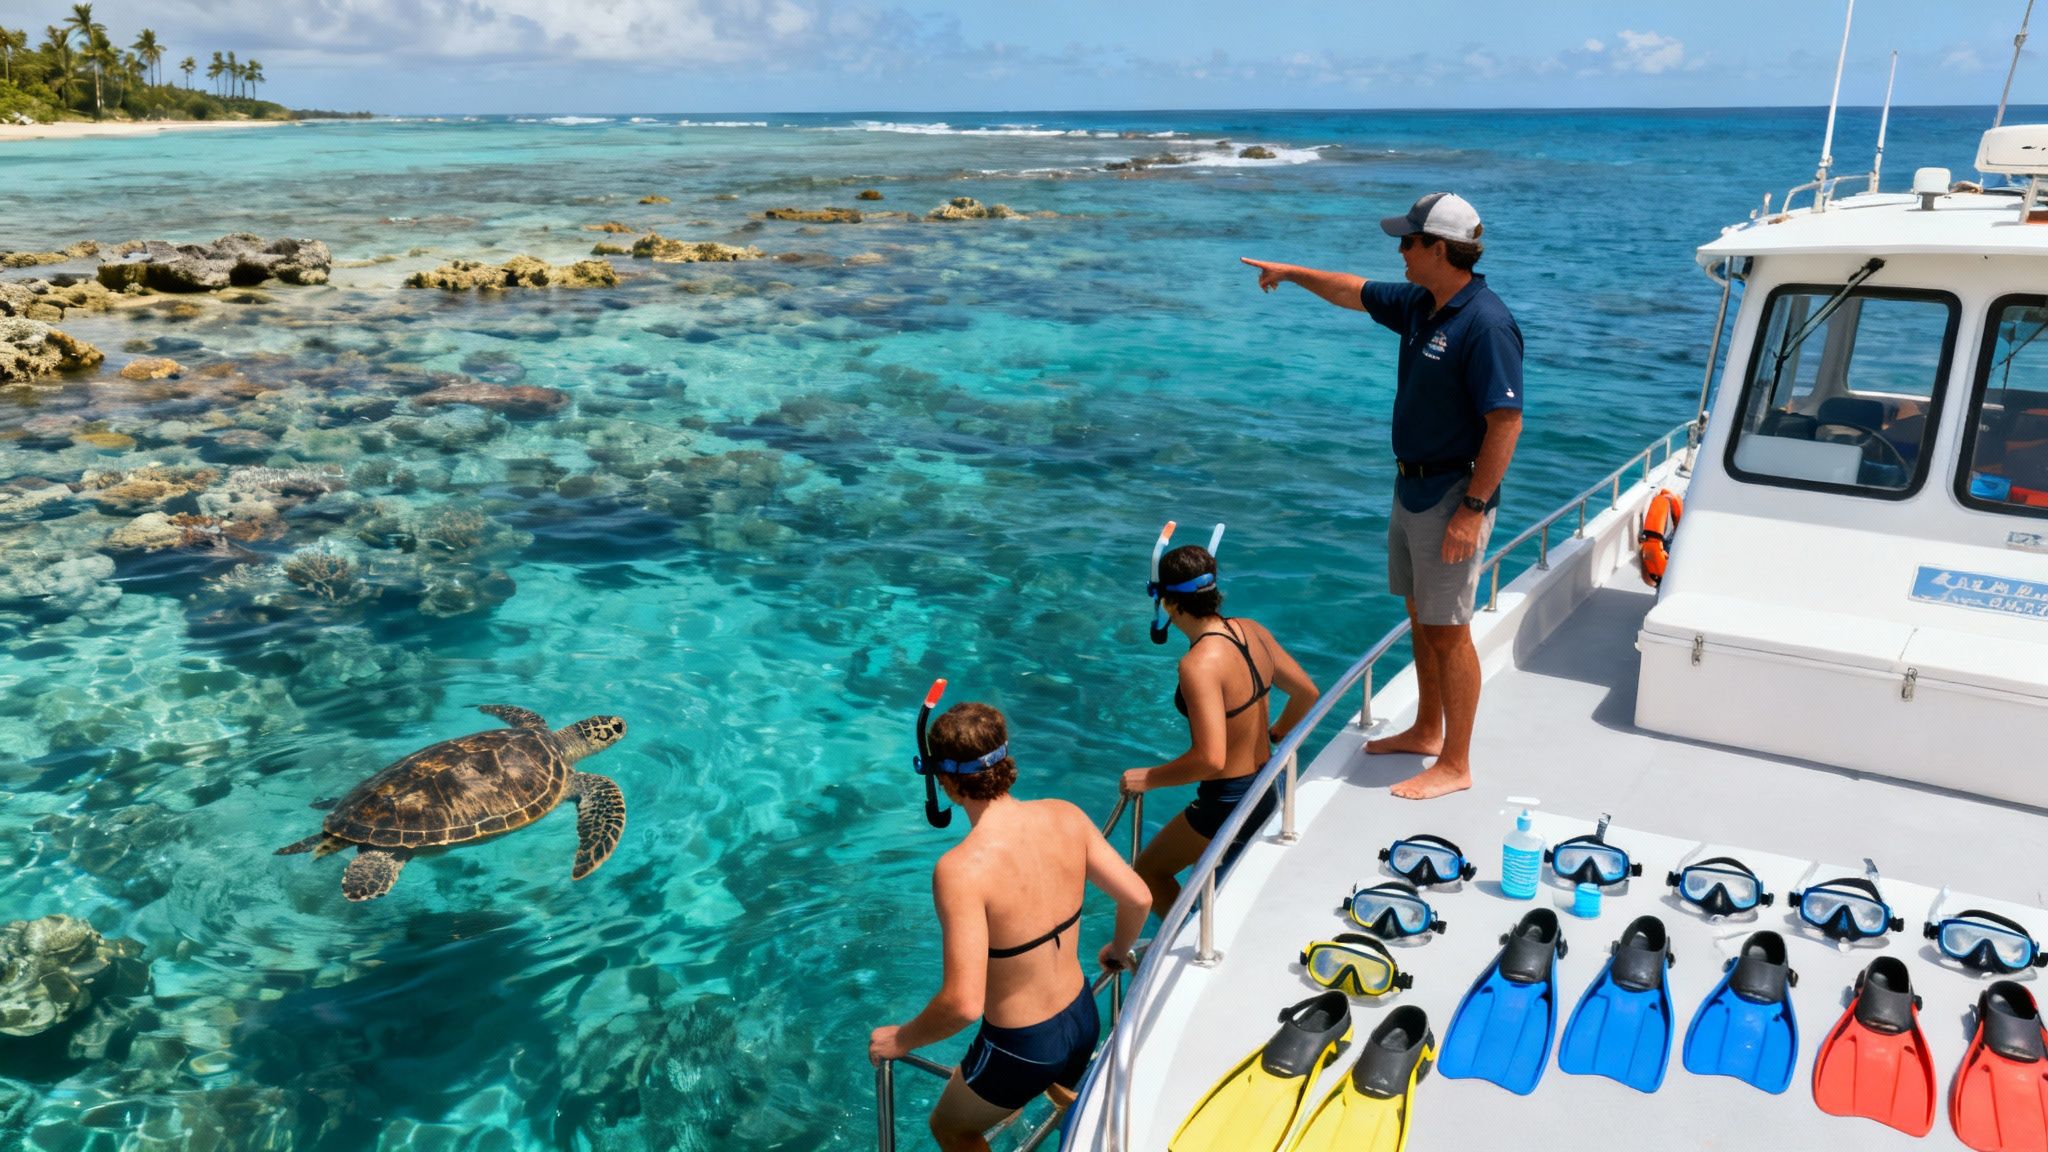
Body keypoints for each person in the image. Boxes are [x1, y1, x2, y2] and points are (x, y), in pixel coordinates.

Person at [1241, 192, 1524, 801]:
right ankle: (1426, 729)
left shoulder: (1486, 323)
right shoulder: (1424, 303)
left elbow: (1505, 423)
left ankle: (1456, 762)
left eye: (1409, 241)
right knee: (1421, 614)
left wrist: (1472, 511)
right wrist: (1290, 273)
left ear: (1440, 250)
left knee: (1450, 629)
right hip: (1412, 483)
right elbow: (1351, 290)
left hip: (1454, 491)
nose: (1399, 249)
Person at [868, 700, 1150, 1152]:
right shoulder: (1066, 815)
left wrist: (900, 1040)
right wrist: (1118, 952)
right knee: (1059, 1090)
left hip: (1021, 1047)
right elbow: (1138, 896)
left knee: (951, 1129)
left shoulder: (960, 870)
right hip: (1082, 1018)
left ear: (945, 782)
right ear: (1005, 760)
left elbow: (962, 1004)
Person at [1120, 543, 1319, 916]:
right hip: (1268, 784)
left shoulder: (1197, 665)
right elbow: (1307, 693)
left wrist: (1147, 778)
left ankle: (1186, 943)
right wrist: (1275, 733)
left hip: (1227, 801)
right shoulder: (1251, 630)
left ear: (1167, 602)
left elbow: (1211, 759)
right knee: (1210, 875)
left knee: (1148, 871)